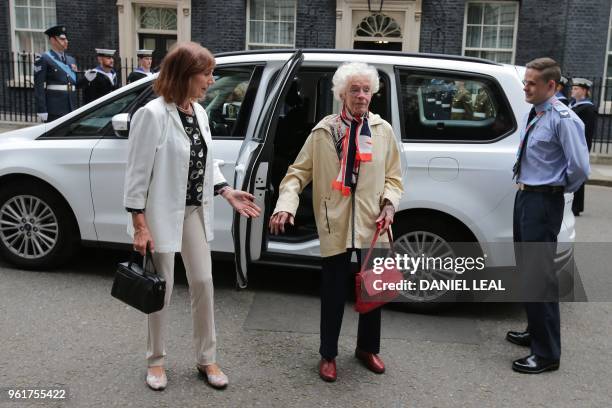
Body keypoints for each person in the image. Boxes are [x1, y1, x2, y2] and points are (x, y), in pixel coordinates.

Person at [123, 41, 261, 391]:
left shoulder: (198, 112)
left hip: (193, 213)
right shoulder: (152, 114)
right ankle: (156, 361)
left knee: (203, 283)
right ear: (185, 75)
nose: (211, 80)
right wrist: (139, 224)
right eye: (206, 73)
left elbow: (202, 161)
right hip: (159, 214)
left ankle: (207, 359)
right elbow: (136, 173)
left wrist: (226, 190)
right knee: (161, 289)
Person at [269, 62, 403, 382]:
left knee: (374, 290)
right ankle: (328, 354)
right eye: (354, 90)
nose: (361, 96)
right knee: (332, 292)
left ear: (373, 93)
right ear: (342, 93)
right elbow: (297, 174)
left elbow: (394, 179)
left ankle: (367, 348)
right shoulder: (324, 131)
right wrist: (285, 206)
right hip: (335, 221)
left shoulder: (382, 130)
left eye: (366, 90)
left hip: (374, 222)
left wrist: (389, 205)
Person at [507, 57, 590, 374]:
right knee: (526, 270)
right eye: (525, 81)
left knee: (540, 277)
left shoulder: (563, 118)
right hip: (526, 196)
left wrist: (556, 189)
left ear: (551, 86)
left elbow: (580, 167)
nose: (525, 87)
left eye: (531, 83)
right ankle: (535, 331)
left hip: (543, 201)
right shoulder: (537, 111)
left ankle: (546, 354)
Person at [34, 25, 78, 122]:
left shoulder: (71, 60)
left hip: (71, 107)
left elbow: (75, 84)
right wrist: (42, 109)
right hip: (55, 109)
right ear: (53, 40)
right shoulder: (44, 58)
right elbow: (39, 86)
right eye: (62, 39)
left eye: (66, 39)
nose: (66, 41)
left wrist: (87, 79)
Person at [570, 78, 597, 216]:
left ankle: (576, 206)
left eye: (576, 89)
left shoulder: (588, 108)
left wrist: (583, 149)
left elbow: (587, 132)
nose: (573, 90)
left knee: (578, 174)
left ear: (585, 91)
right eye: (573, 88)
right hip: (571, 144)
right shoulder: (573, 106)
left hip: (579, 146)